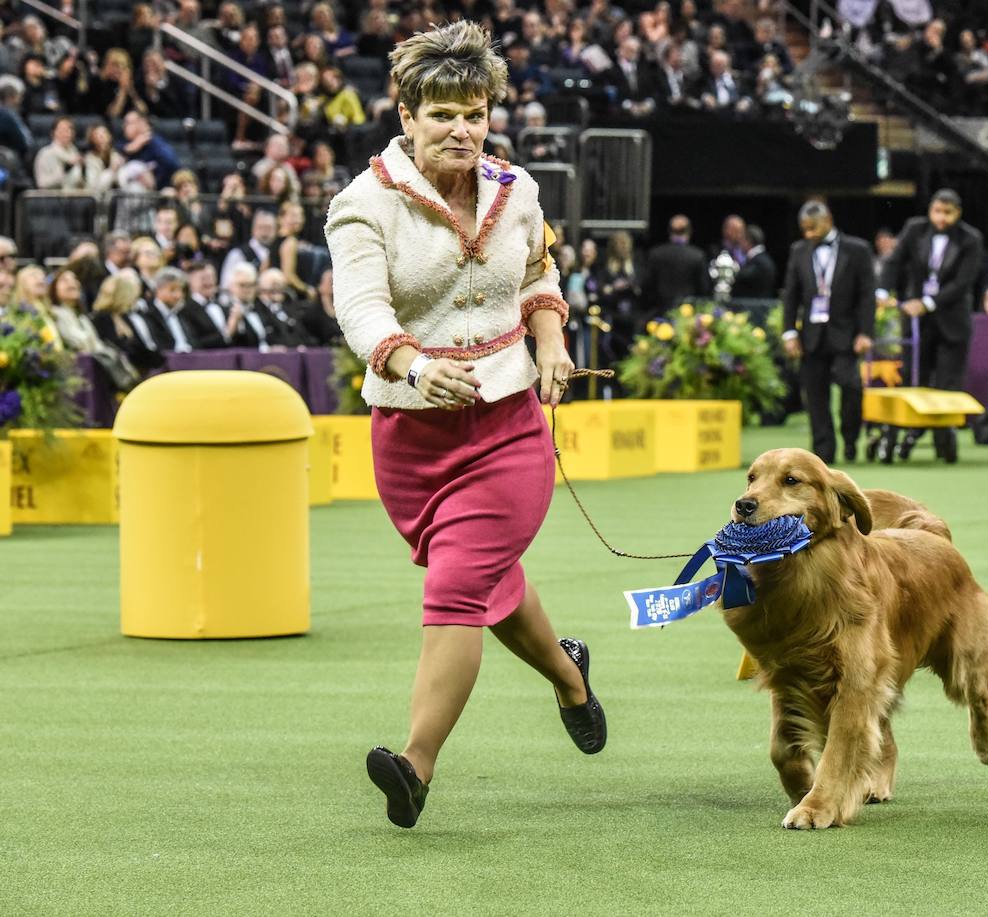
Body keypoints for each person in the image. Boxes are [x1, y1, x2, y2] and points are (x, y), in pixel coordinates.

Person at [325, 21, 606, 829]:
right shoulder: (362, 204)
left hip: (510, 426)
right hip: (410, 439)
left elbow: (539, 274)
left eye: (475, 112)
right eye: (443, 112)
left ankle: (414, 764)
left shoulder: (517, 191)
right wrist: (413, 365)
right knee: (488, 583)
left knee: (455, 584)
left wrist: (553, 344)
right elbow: (361, 307)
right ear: (405, 113)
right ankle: (570, 676)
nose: (461, 128)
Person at [880, 188, 985, 464]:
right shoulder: (914, 229)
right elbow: (894, 262)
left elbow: (963, 283)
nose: (941, 218)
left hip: (953, 320)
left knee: (948, 386)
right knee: (915, 380)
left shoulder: (971, 239)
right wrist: (882, 292)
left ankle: (945, 445)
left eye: (947, 213)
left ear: (957, 213)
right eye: (937, 211)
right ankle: (908, 435)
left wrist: (927, 302)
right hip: (917, 323)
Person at [780, 200, 875, 464]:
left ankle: (851, 437)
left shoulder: (858, 249)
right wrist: (789, 332)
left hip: (846, 335)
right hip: (811, 336)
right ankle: (824, 452)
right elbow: (791, 296)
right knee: (815, 394)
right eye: (804, 229)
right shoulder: (798, 251)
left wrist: (866, 332)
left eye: (813, 228)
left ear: (828, 220)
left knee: (851, 387)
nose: (808, 234)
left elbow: (867, 295)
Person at [642, 214, 709, 316]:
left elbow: (647, 285)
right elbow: (703, 288)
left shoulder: (655, 254)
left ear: (669, 231)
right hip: (687, 314)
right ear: (689, 231)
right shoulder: (697, 256)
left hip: (660, 312)